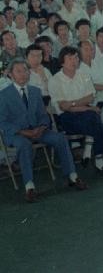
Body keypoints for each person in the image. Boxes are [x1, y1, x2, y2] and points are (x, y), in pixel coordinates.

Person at [0, 59, 88, 202]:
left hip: (37, 130)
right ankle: (29, 186)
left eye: (25, 71)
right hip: (17, 134)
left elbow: (43, 115)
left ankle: (72, 175)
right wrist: (24, 132)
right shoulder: (3, 95)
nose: (23, 74)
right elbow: (2, 122)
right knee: (24, 145)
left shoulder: (35, 91)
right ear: (10, 75)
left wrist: (41, 127)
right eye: (19, 71)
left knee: (60, 138)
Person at [48, 46, 103, 177]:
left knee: (96, 123)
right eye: (70, 58)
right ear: (62, 61)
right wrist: (85, 106)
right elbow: (64, 107)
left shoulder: (84, 75)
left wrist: (73, 103)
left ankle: (93, 154)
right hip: (66, 118)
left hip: (85, 114)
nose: (74, 61)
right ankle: (97, 158)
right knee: (99, 125)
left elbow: (89, 97)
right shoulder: (55, 80)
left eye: (76, 57)